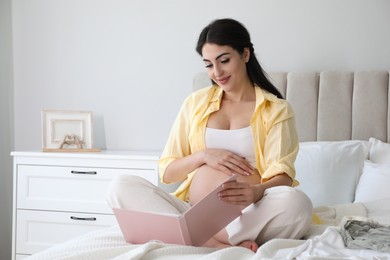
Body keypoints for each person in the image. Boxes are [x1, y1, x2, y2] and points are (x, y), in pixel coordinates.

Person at [107, 18, 312, 252]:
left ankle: (197, 238)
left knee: (297, 203)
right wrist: (203, 156)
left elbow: (283, 176)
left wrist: (255, 192)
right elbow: (167, 171)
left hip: (245, 215)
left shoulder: (275, 109)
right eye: (208, 64)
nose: (217, 72)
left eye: (224, 60)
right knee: (119, 186)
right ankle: (211, 242)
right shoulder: (195, 103)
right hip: (192, 212)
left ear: (245, 54)